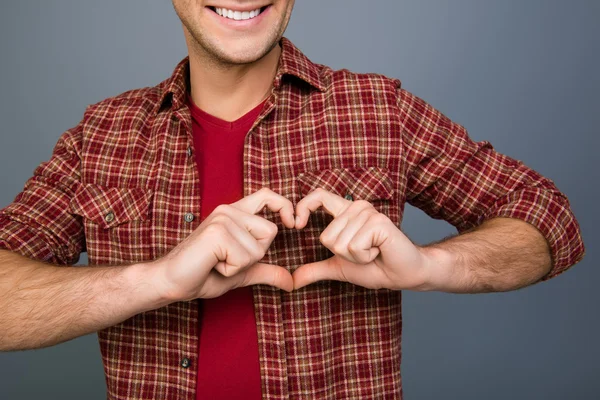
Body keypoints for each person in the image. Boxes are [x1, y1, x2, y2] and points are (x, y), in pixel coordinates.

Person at [0, 0, 585, 399]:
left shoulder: (378, 110)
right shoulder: (100, 135)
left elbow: (548, 218)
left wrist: (431, 266)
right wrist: (156, 280)